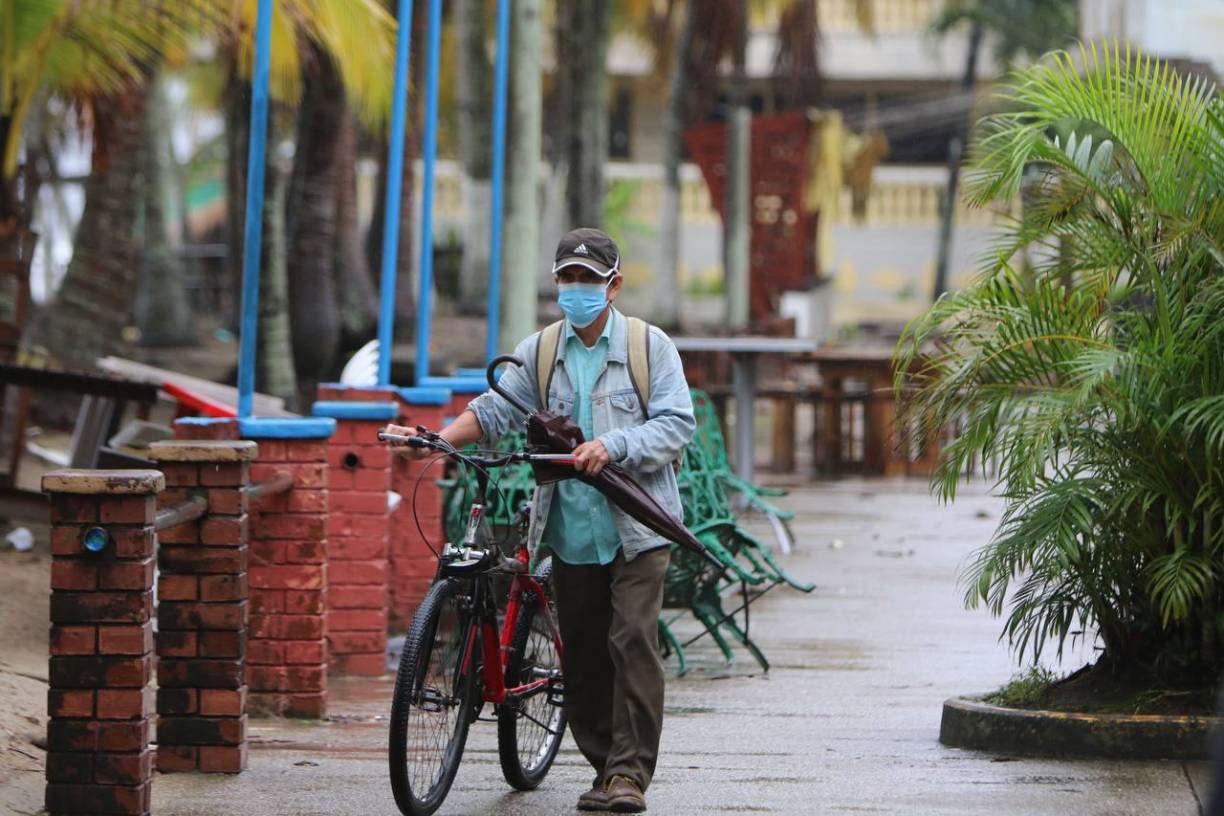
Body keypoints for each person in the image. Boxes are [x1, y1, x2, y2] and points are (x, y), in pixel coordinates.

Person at [386, 227, 695, 813]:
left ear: (614, 285)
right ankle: (605, 768)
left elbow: (677, 424)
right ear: (557, 284)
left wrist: (616, 445)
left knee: (631, 640)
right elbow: (497, 409)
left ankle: (629, 776)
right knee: (580, 654)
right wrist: (436, 441)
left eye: (589, 279)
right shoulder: (543, 350)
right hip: (571, 529)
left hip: (638, 526)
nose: (577, 288)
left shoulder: (648, 347)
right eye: (568, 278)